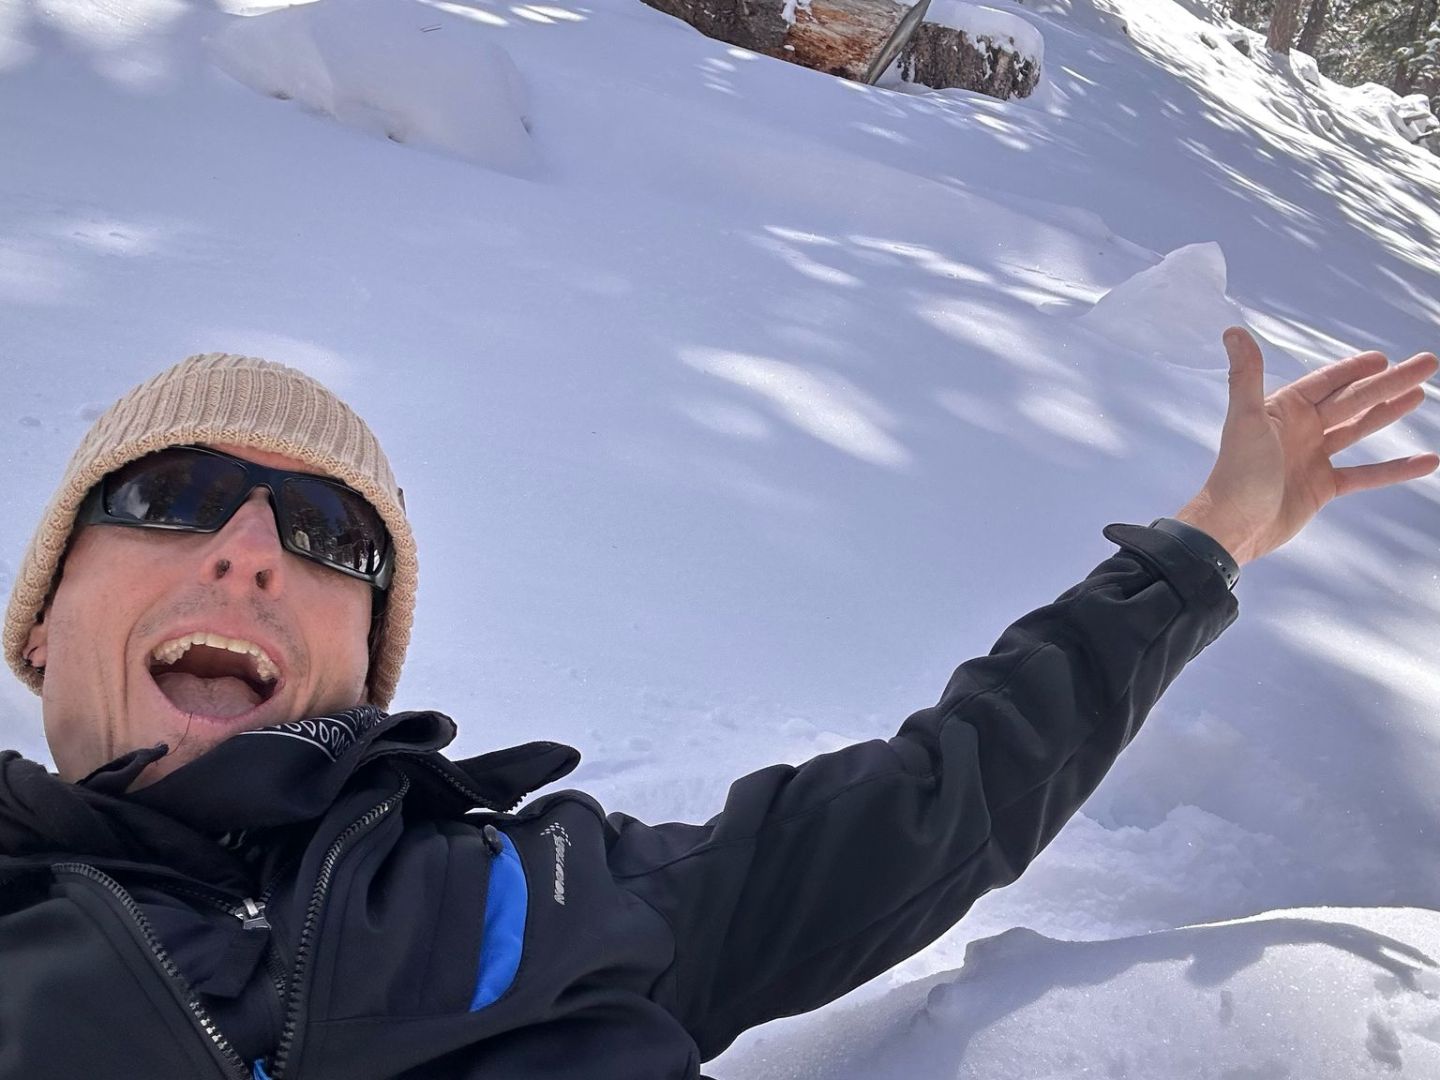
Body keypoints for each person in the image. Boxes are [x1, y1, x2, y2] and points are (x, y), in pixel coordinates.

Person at [0, 331, 1434, 1080]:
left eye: (329, 536)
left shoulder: (548, 899)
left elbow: (940, 804)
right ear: (42, 626)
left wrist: (1204, 544)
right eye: (171, 498)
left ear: (369, 660)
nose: (249, 547)